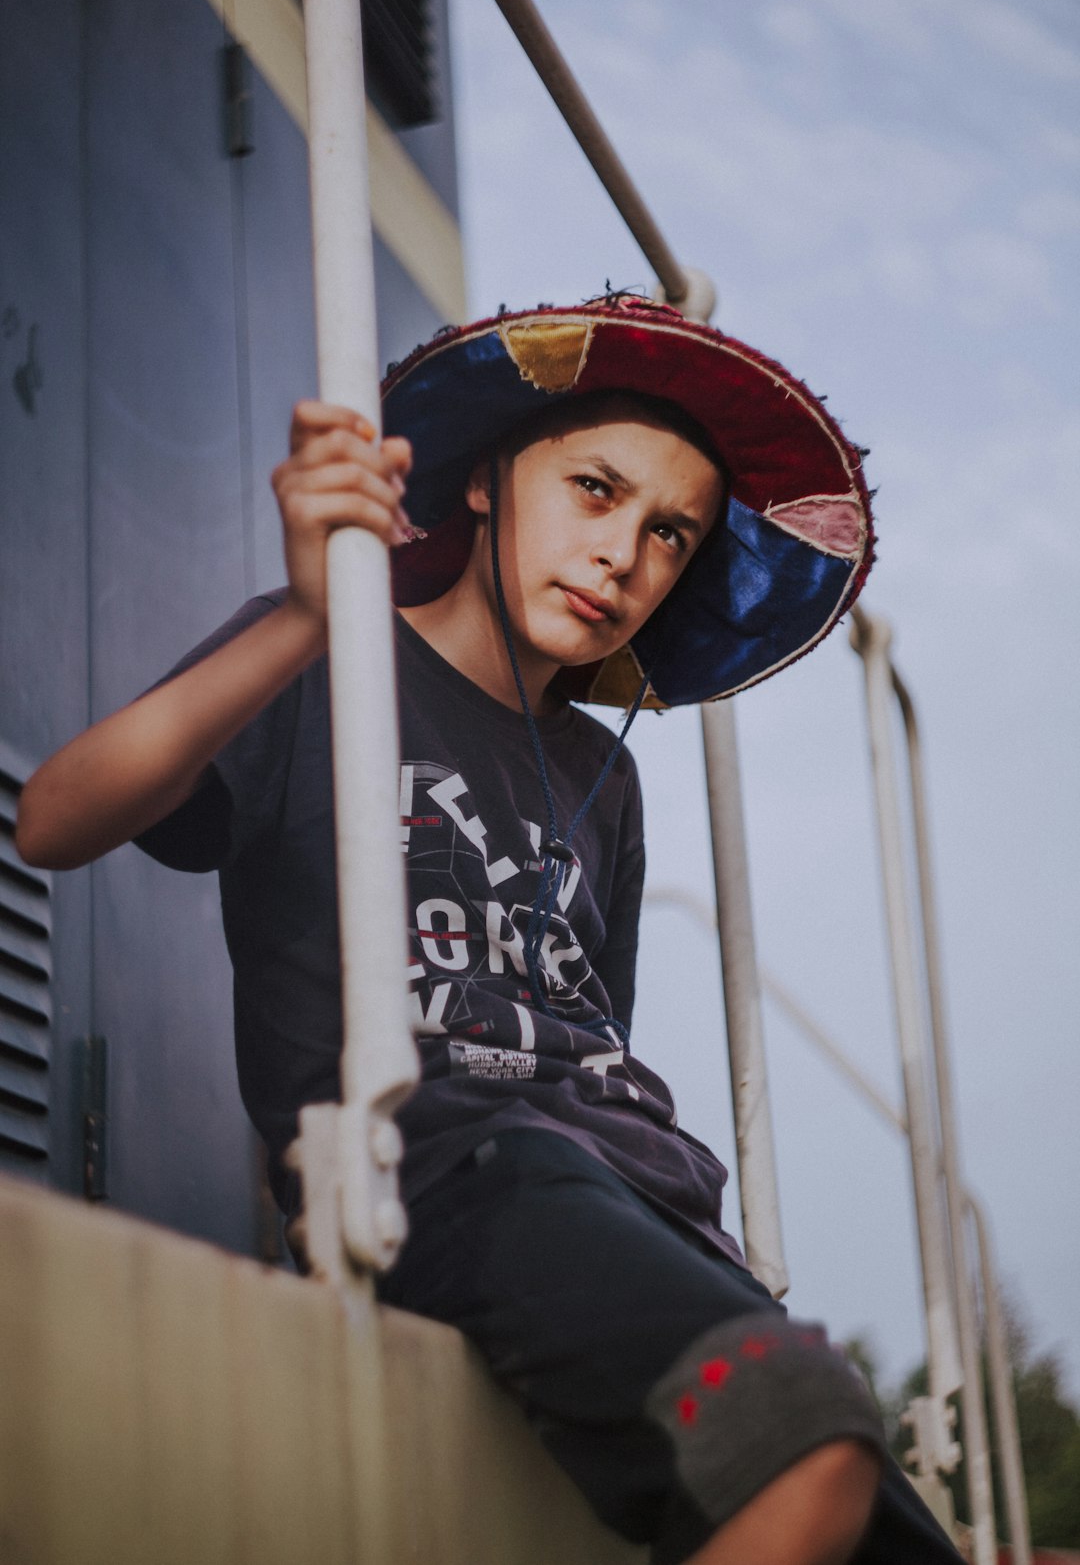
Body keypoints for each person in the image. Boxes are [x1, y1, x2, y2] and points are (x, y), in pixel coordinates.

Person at [17, 295, 960, 1565]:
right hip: (456, 1163)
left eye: (668, 531)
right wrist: (306, 611)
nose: (623, 552)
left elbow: (589, 1028)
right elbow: (56, 820)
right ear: (483, 484)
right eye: (592, 488)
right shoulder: (325, 660)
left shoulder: (607, 784)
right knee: (804, 1443)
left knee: (885, 1521)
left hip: (649, 1206)